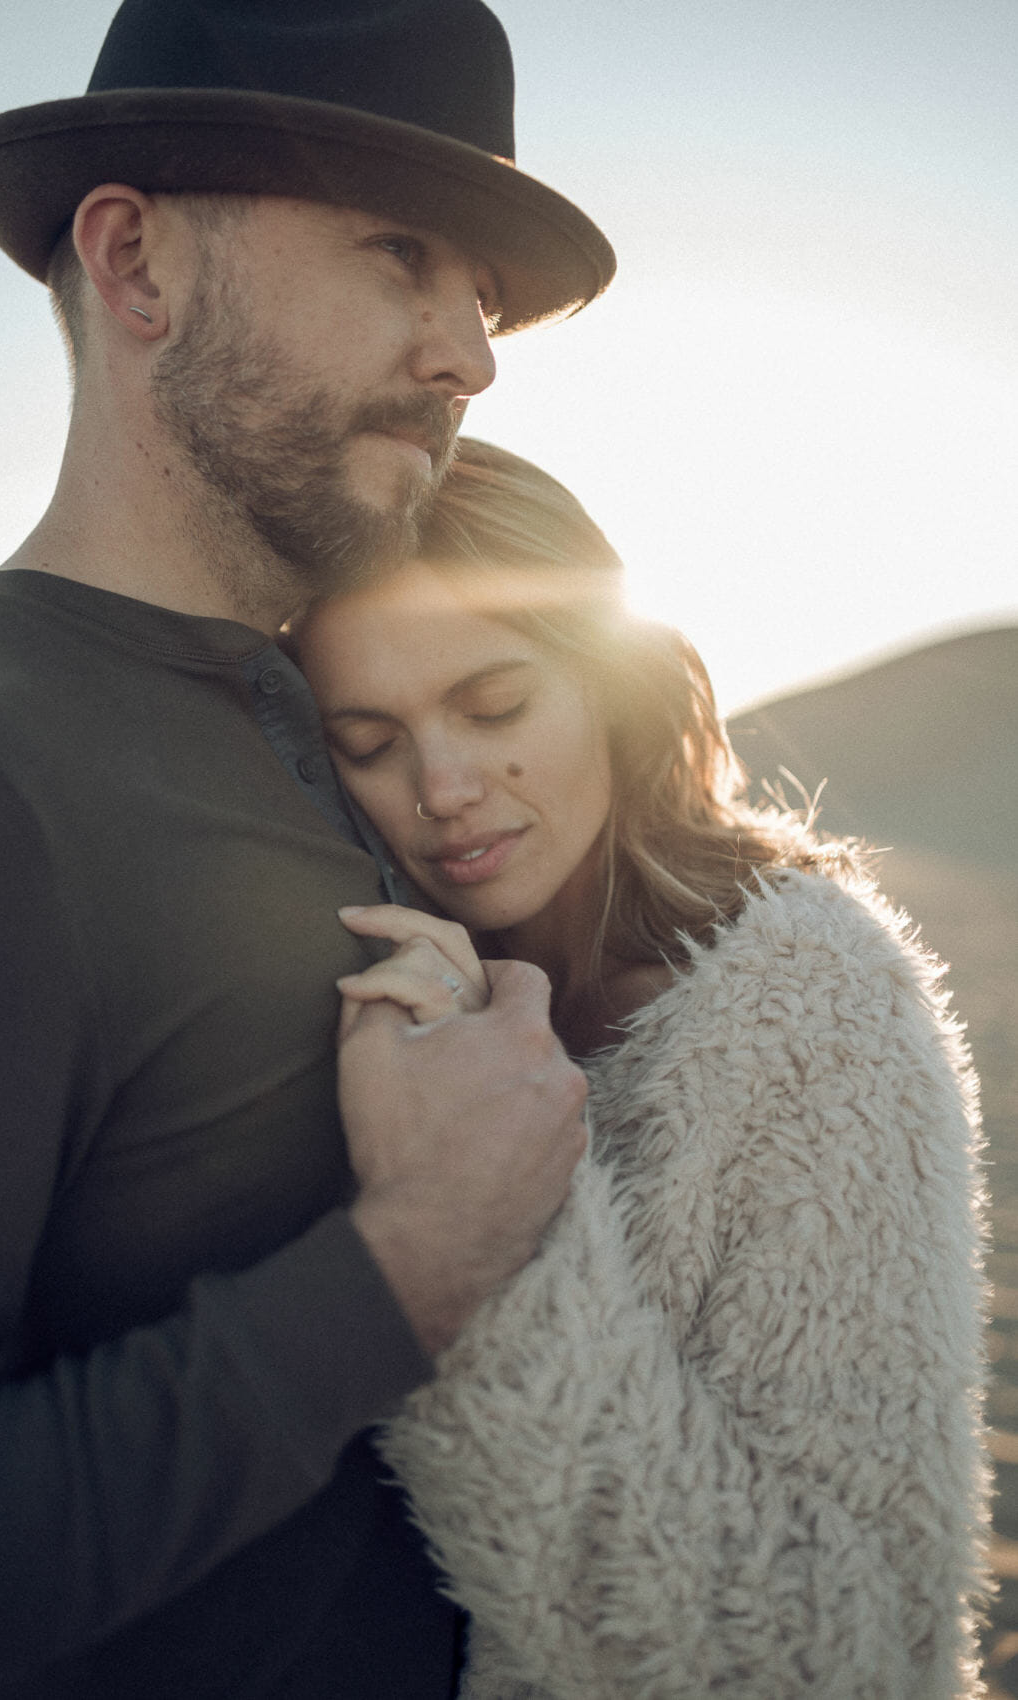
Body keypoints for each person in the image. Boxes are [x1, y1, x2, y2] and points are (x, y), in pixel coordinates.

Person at [0, 6, 614, 1697]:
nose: (472, 356)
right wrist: (406, 1266)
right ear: (136, 262)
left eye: (485, 302)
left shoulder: (326, 712)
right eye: (400, 253)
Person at [295, 438, 992, 1699]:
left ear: (612, 684)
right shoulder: (366, 1003)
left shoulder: (815, 1006)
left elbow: (839, 1657)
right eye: (368, 738)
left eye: (496, 706)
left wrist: (477, 1220)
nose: (446, 786)